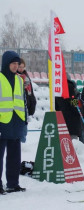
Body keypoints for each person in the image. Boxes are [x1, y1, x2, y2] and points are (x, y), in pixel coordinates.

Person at [0, 51, 27, 194]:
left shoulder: (19, 80)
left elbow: (22, 102)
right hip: (2, 122)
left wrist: (24, 121)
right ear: (6, 63)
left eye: (17, 63)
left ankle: (13, 183)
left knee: (15, 156)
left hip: (16, 122)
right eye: (13, 63)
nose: (16, 66)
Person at [55, 74, 82, 140]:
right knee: (72, 143)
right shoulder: (70, 86)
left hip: (62, 119)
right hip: (72, 120)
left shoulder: (57, 88)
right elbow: (74, 103)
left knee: (63, 142)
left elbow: (56, 106)